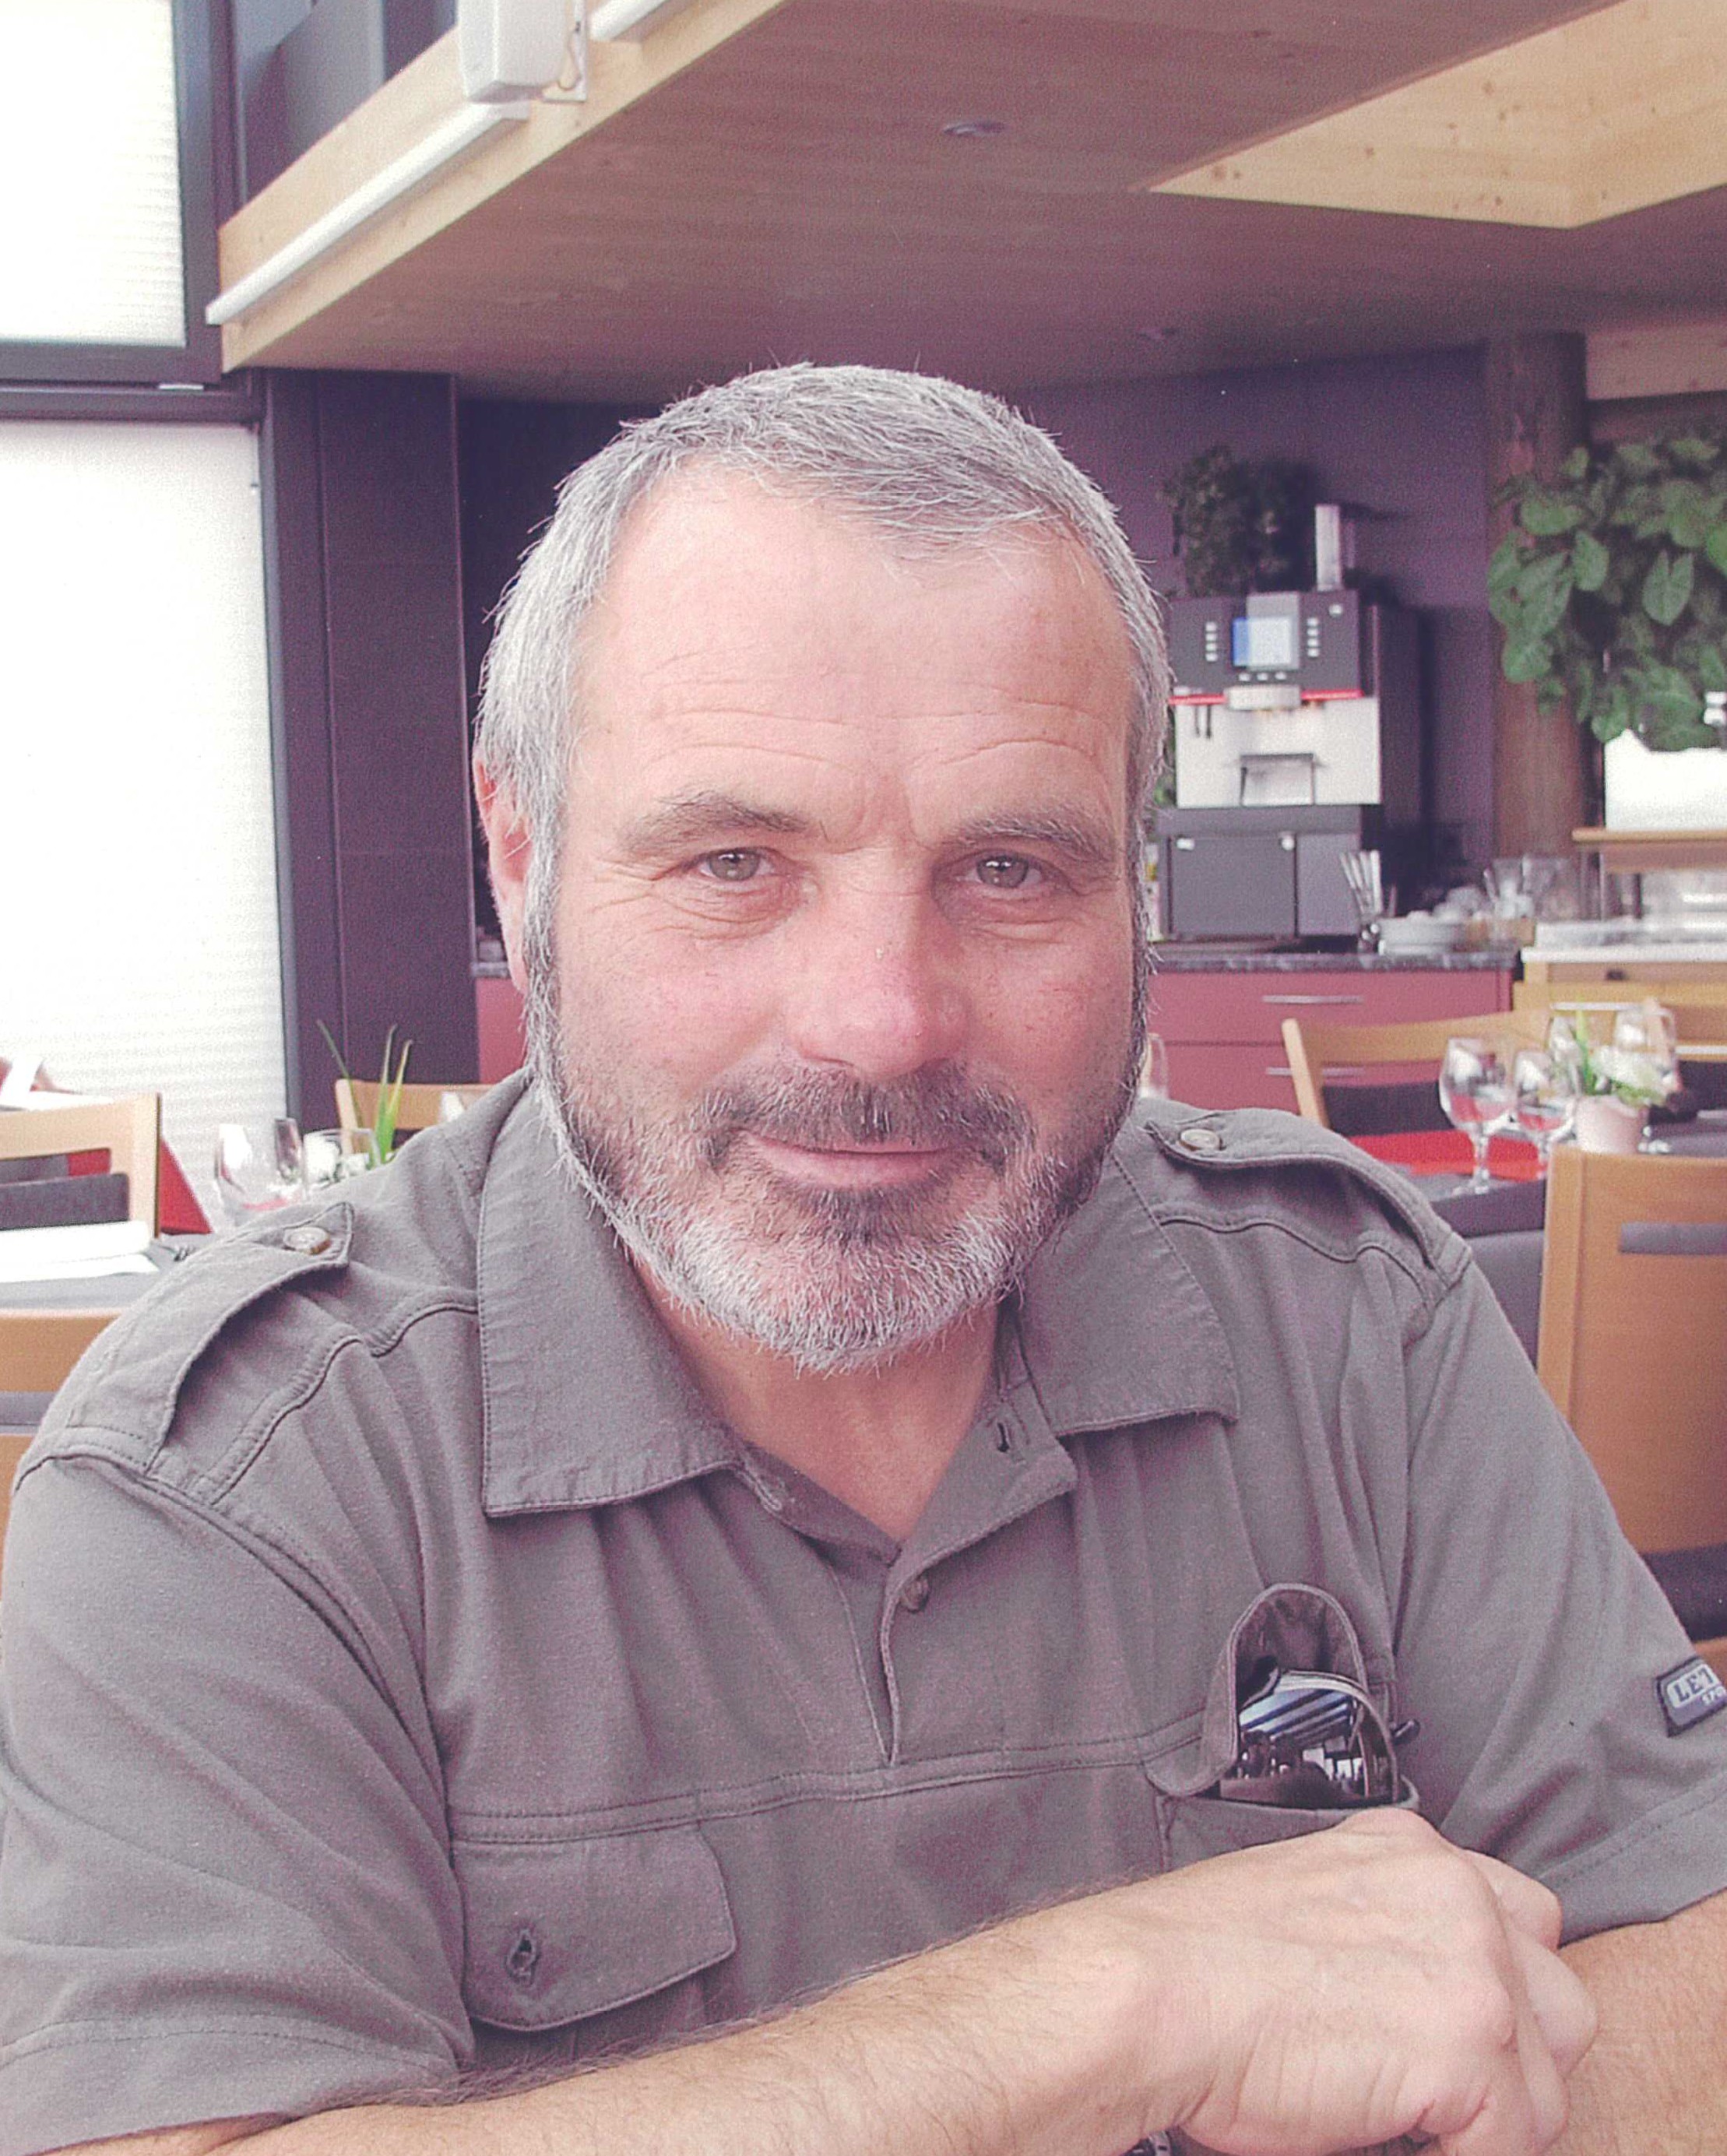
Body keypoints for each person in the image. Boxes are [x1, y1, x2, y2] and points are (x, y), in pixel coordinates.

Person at [2, 364, 1725, 2156]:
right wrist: (1107, 2008)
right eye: (734, 860)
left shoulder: (1346, 1315)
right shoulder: (239, 1475)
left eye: (1008, 869)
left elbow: (1691, 1948)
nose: (881, 1019)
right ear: (520, 859)